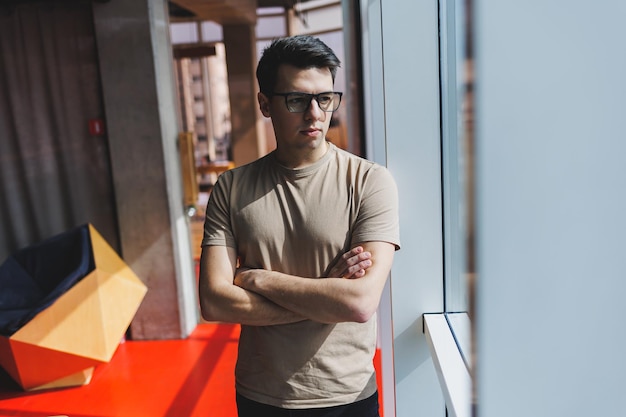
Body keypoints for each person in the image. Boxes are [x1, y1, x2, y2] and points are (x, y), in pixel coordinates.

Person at [198, 34, 400, 417]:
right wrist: (327, 295)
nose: (315, 114)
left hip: (347, 396)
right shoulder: (232, 187)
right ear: (264, 104)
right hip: (261, 396)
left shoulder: (369, 181)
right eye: (297, 100)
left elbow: (358, 303)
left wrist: (259, 280)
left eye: (325, 98)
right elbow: (214, 301)